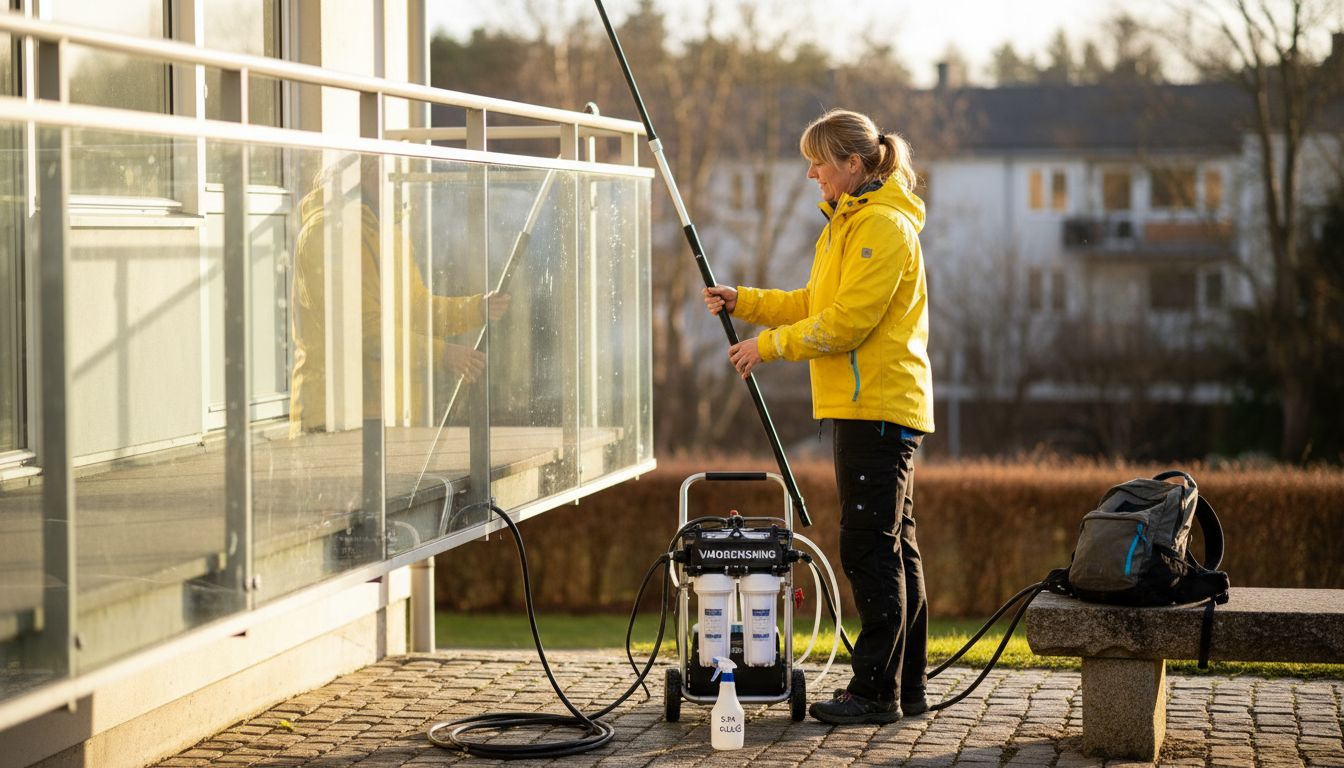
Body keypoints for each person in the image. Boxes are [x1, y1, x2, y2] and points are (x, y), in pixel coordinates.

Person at [703, 108, 934, 726]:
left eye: (819, 162)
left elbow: (846, 324)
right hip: (866, 407)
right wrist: (745, 302)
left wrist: (766, 348)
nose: (811, 174)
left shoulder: (881, 227)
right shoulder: (846, 224)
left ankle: (875, 693)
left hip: (877, 408)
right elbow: (815, 303)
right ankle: (906, 686)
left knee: (869, 549)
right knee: (895, 547)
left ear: (853, 164)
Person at [290, 165, 507, 436]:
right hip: (334, 418)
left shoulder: (386, 233)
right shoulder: (324, 234)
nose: (394, 181)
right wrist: (442, 354)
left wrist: (477, 308)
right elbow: (363, 330)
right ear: (361, 174)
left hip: (387, 412)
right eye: (384, 171)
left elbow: (416, 307)